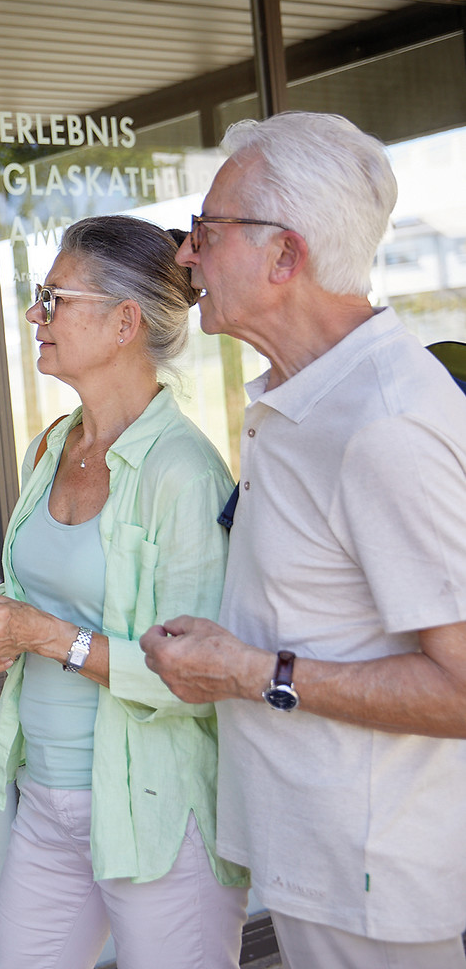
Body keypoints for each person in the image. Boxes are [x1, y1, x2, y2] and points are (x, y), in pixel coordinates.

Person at [140, 111, 466, 969]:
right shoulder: (304, 397)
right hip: (316, 858)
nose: (185, 254)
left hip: (372, 880)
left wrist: (249, 674)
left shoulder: (382, 422)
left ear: (285, 257)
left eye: (206, 231)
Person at [0, 215, 248, 969]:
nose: (32, 315)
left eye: (53, 298)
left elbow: (202, 677)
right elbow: (31, 599)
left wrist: (41, 635)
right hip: (47, 800)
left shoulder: (185, 473)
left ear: (123, 322)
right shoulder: (52, 445)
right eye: (36, 296)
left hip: (156, 810)